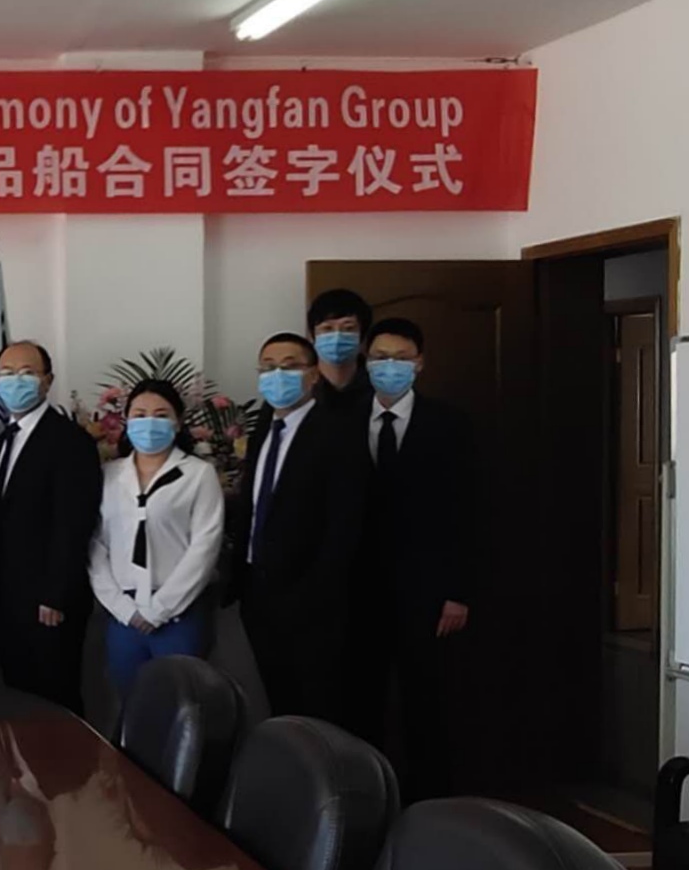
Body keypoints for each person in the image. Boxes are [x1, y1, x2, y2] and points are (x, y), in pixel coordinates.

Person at [357, 317, 475, 801]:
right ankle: (366, 797)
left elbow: (470, 512)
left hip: (426, 593)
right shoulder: (342, 422)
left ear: (420, 363)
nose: (390, 366)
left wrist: (458, 592)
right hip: (358, 591)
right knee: (361, 701)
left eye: (401, 358)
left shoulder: (450, 424)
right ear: (366, 362)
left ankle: (432, 803)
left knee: (425, 703)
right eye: (380, 357)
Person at [224, 333, 369, 720]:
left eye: (290, 367)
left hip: (309, 596)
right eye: (268, 367)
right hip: (258, 590)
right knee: (279, 698)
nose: (278, 376)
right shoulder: (263, 430)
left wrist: (318, 591)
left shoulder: (339, 432)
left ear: (314, 374)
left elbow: (345, 523)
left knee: (317, 704)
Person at [88, 380, 226, 701]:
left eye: (161, 415)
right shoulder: (109, 475)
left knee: (181, 705)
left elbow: (204, 546)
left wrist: (161, 608)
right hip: (124, 613)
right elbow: (97, 544)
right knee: (131, 705)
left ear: (178, 422)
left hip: (178, 613)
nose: (149, 423)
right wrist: (121, 607)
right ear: (126, 420)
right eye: (140, 414)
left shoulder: (198, 474)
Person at [0, 341, 99, 715]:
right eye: (7, 373)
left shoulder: (70, 440)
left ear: (47, 381)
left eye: (27, 373)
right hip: (8, 597)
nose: (15, 381)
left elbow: (74, 522)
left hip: (48, 601)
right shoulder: (3, 441)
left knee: (55, 698)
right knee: (19, 697)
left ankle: (67, 758)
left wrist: (56, 594)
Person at [309, 288, 375, 416]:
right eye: (327, 328)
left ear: (362, 337)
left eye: (348, 328)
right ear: (312, 337)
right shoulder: (297, 389)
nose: (337, 336)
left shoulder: (380, 387)